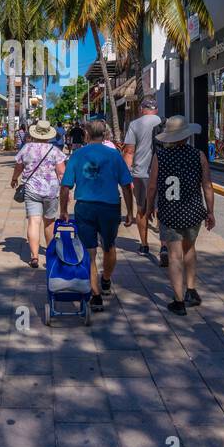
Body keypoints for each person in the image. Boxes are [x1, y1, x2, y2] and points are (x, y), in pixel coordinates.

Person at [58, 119, 134, 313]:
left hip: (85, 207)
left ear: (86, 135)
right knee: (109, 245)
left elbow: (66, 186)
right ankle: (106, 280)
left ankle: (96, 295)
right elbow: (126, 185)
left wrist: (64, 211)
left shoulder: (78, 155)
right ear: (105, 135)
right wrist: (130, 212)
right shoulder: (114, 155)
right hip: (110, 206)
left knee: (89, 252)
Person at [147, 115, 215, 316]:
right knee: (190, 248)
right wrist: (210, 211)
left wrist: (149, 207)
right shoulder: (198, 155)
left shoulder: (160, 157)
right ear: (186, 136)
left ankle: (178, 300)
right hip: (193, 211)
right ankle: (191, 290)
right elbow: (207, 186)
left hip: (169, 212)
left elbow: (152, 187)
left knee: (174, 254)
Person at [11, 119, 67, 268]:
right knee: (49, 222)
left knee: (33, 222)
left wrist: (14, 179)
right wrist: (66, 191)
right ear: (49, 135)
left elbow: (18, 166)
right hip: (51, 191)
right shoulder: (55, 151)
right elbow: (62, 173)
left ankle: (34, 257)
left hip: (31, 189)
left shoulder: (26, 148)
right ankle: (49, 256)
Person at [123, 98, 168, 267]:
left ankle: (144, 245)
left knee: (141, 209)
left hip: (141, 173)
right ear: (156, 110)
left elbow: (129, 151)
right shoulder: (165, 122)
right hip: (163, 172)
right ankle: (164, 246)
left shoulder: (135, 124)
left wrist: (126, 174)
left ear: (142, 109)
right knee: (162, 207)